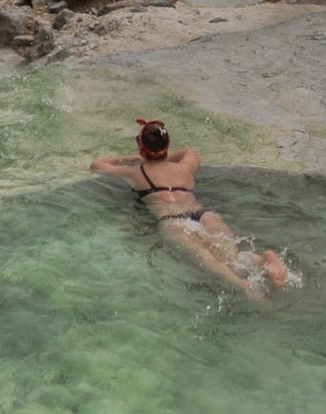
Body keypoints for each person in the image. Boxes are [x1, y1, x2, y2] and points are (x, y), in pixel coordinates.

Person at [91, 119, 289, 299]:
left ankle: (243, 286)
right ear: (167, 146)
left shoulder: (137, 173)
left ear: (142, 149)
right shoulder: (184, 167)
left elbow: (96, 165)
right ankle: (263, 262)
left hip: (173, 220)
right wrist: (161, 156)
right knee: (232, 255)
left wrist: (137, 159)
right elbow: (188, 151)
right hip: (203, 215)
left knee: (209, 260)